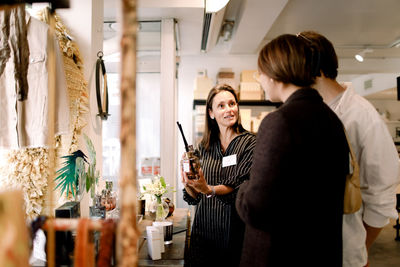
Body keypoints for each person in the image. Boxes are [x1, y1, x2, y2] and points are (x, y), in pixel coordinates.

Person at [235, 34, 350, 267]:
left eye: (261, 73)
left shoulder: (279, 121)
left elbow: (255, 207)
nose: (260, 80)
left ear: (276, 73)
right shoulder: (332, 120)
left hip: (280, 254)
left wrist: (243, 188)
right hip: (321, 252)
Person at [299, 30, 400, 267]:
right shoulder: (309, 109)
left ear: (313, 65)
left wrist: (358, 250)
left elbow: (382, 194)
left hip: (345, 253)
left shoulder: (362, 115)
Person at [182, 84, 256, 267]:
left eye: (232, 103)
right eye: (221, 106)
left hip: (235, 237)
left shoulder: (250, 143)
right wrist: (188, 182)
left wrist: (208, 189)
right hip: (203, 237)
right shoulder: (204, 147)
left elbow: (240, 186)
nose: (229, 109)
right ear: (211, 113)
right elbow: (194, 198)